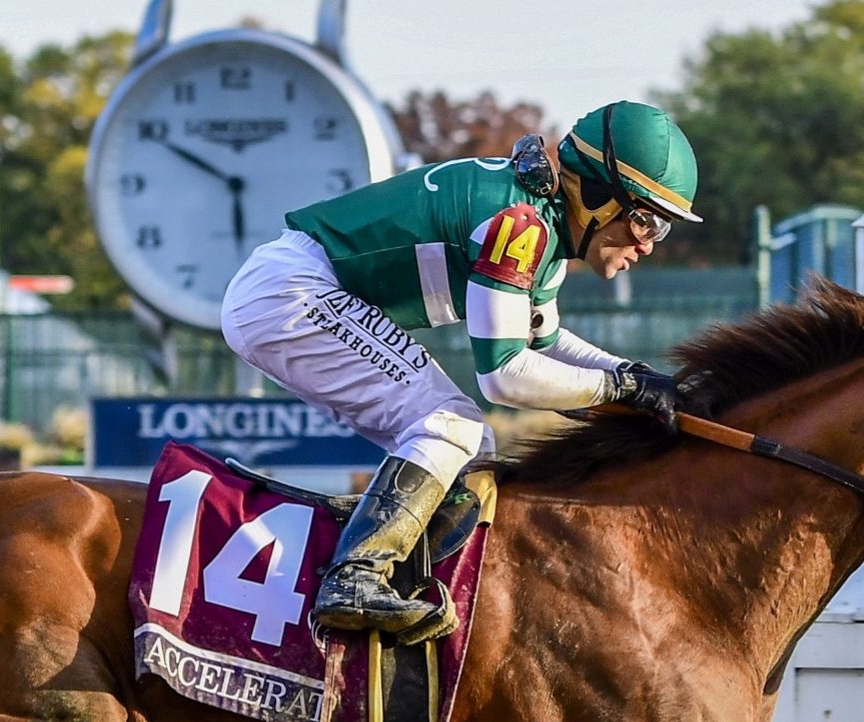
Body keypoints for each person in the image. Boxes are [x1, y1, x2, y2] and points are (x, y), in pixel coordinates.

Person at [221, 100, 700, 641]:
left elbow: (544, 342)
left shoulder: (541, 225)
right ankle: (354, 579)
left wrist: (637, 377)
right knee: (449, 424)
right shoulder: (520, 225)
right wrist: (620, 387)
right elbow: (505, 375)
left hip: (289, 290)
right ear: (596, 196)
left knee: (473, 450)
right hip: (290, 293)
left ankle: (412, 585)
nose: (647, 243)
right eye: (645, 220)